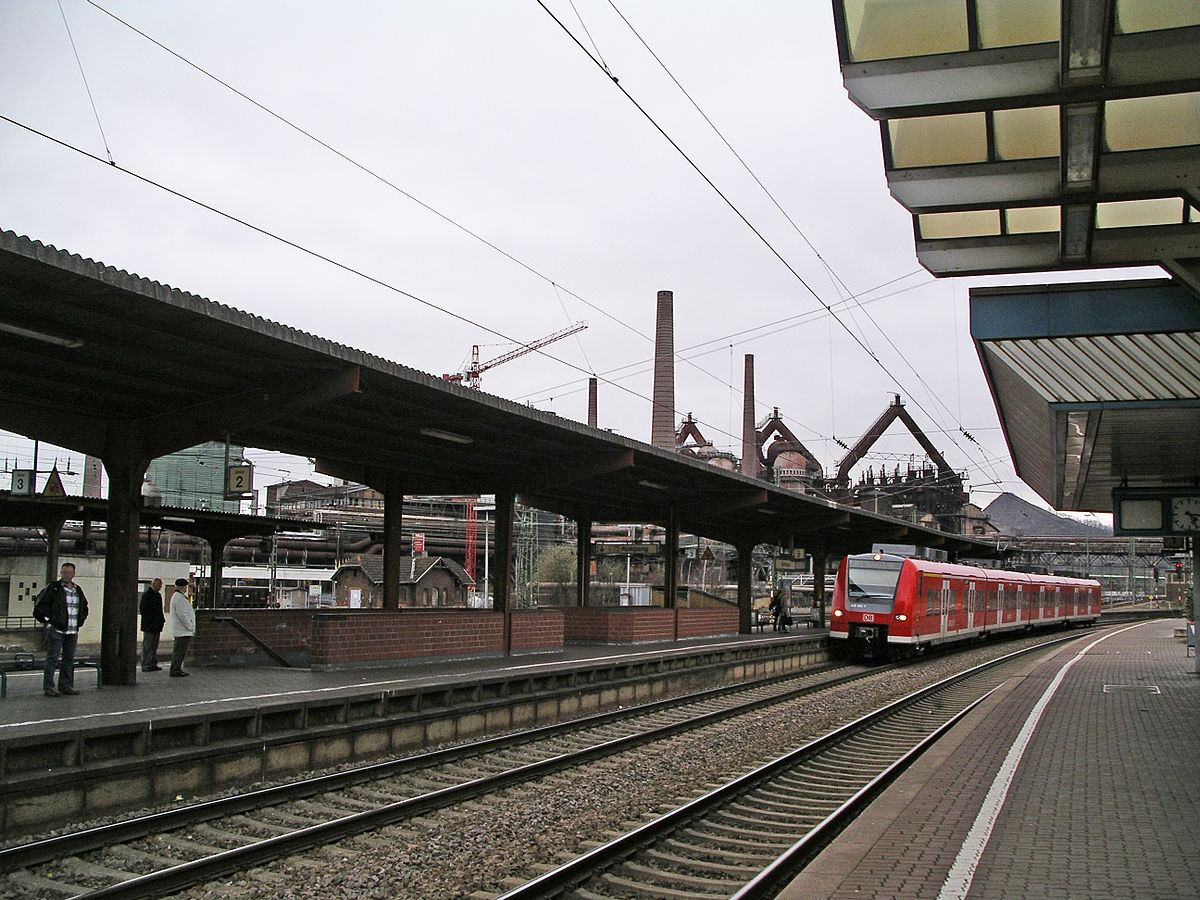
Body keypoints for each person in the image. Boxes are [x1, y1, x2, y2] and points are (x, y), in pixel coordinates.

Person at [33, 561, 89, 697]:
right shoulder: (53, 589)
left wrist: (80, 621)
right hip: (57, 629)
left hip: (72, 630)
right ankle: (49, 686)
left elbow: (84, 607)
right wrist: (49, 621)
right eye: (64, 572)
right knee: (52, 657)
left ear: (74, 574)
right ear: (61, 573)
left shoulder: (77, 590)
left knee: (68, 658)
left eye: (69, 573)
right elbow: (40, 606)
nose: (66, 575)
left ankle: (65, 685)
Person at [167, 578, 195, 678]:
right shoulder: (179, 598)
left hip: (181, 630)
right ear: (183, 587)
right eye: (185, 586)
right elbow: (183, 615)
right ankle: (175, 670)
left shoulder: (177, 597)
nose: (186, 588)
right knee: (179, 652)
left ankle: (176, 669)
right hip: (182, 630)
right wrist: (190, 626)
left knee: (179, 651)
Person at [139, 577, 165, 672]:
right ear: (154, 584)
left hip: (155, 625)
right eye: (159, 584)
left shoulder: (158, 596)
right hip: (149, 625)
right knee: (147, 645)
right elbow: (143, 610)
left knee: (153, 646)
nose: (160, 586)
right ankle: (146, 664)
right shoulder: (147, 595)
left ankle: (152, 663)